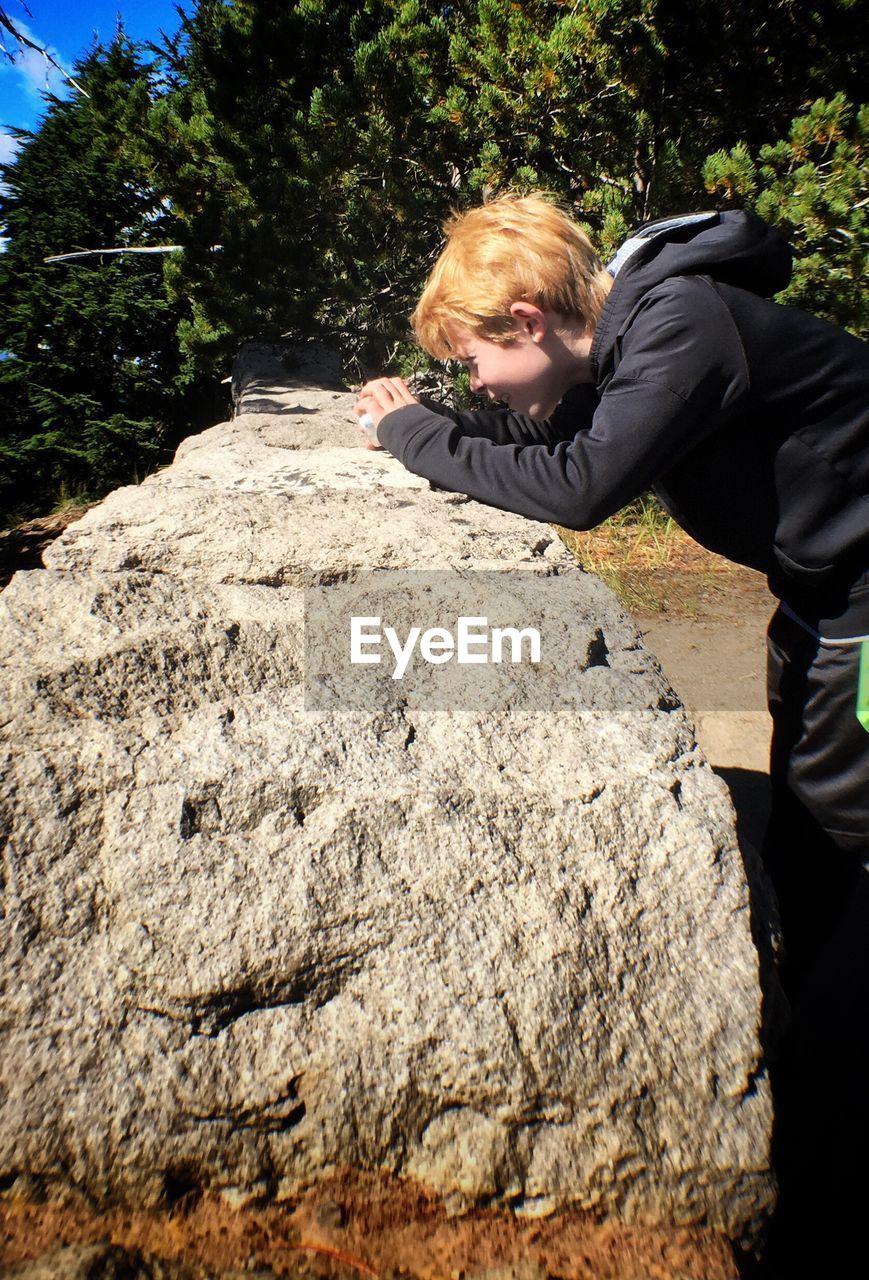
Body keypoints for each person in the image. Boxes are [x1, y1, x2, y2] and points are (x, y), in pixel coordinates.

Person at [354, 192, 869, 1274]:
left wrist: (409, 435)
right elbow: (560, 433)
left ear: (529, 320)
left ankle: (820, 1121)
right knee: (801, 831)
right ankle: (797, 1037)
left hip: (862, 601)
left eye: (473, 359)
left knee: (840, 831)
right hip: (821, 590)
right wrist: (430, 420)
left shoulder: (679, 326)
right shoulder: (632, 340)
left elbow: (581, 486)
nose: (476, 381)